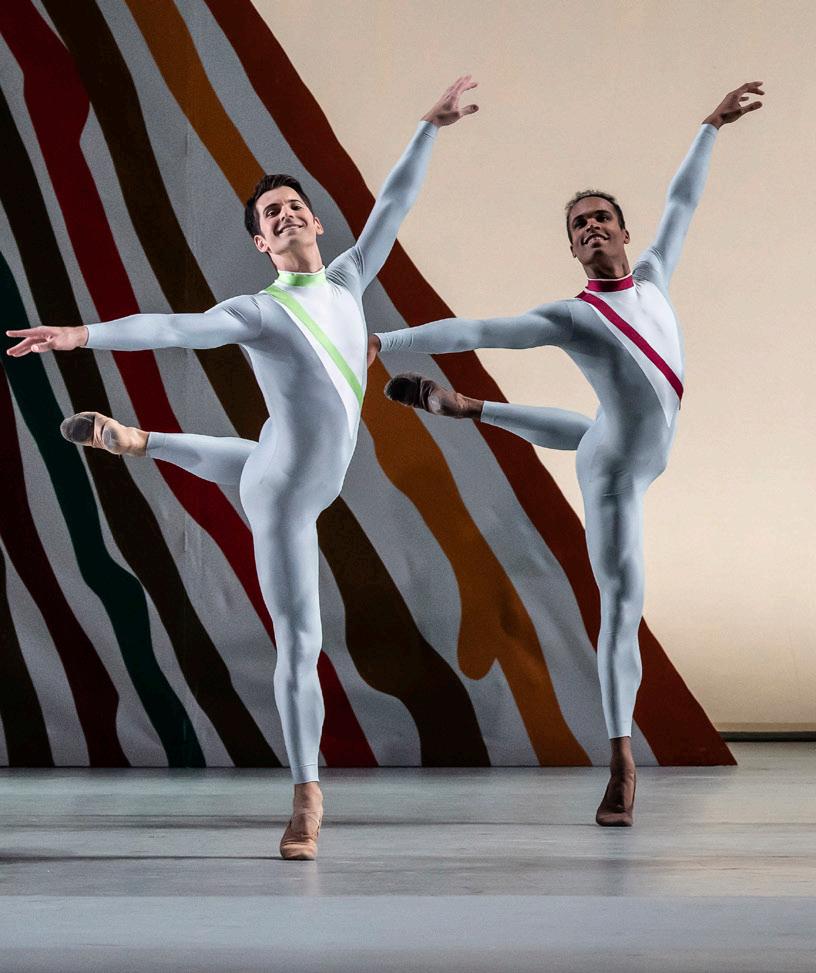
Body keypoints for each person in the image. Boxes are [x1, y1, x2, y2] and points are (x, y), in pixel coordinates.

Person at [6, 77, 481, 860]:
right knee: (301, 640)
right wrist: (79, 336)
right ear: (263, 244)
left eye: (294, 205)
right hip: (285, 500)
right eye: (270, 215)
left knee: (254, 456)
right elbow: (173, 328)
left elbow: (393, 205)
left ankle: (140, 441)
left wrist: (428, 127)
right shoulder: (261, 310)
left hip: (278, 460)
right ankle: (306, 797)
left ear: (316, 221)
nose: (285, 214)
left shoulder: (349, 279)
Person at [377, 83, 765, 828]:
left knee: (591, 429)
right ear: (573, 248)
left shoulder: (654, 276)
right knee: (622, 607)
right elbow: (479, 330)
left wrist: (710, 126)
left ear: (622, 232)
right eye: (578, 224)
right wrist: (386, 340)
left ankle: (469, 408)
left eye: (600, 218)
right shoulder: (571, 317)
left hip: (614, 438)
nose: (591, 227)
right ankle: (621, 762)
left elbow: (683, 201)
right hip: (614, 474)